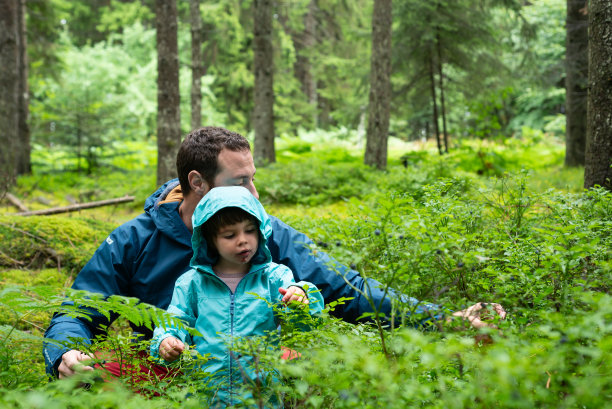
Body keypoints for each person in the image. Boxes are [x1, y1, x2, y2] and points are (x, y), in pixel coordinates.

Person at [43, 126, 506, 379]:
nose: (254, 192)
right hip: (169, 364)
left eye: (253, 177)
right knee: (92, 377)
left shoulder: (264, 232)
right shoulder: (135, 240)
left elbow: (349, 289)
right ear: (196, 185)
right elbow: (81, 307)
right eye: (239, 181)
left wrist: (443, 319)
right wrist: (66, 352)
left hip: (253, 364)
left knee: (322, 374)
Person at [151, 185, 324, 407]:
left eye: (250, 230)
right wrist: (166, 340)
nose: (243, 240)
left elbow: (306, 326)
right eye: (230, 235)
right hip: (208, 396)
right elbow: (175, 320)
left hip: (262, 397)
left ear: (261, 229)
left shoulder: (274, 277)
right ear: (210, 239)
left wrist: (301, 297)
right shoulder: (192, 282)